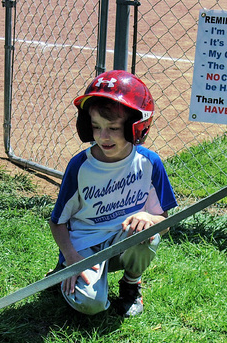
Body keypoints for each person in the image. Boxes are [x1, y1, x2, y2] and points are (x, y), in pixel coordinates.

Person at [49, 70, 178, 317]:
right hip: (83, 245)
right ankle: (64, 273)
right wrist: (71, 257)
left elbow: (165, 225)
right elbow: (57, 222)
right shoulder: (80, 166)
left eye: (113, 128)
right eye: (96, 127)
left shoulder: (149, 163)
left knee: (145, 234)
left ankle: (131, 285)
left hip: (123, 241)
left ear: (136, 127)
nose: (103, 136)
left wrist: (150, 219)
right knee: (91, 305)